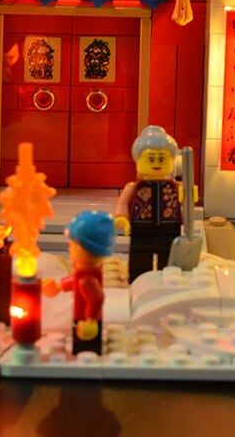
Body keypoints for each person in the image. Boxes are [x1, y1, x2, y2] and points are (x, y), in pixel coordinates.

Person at [115, 125, 182, 283]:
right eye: (151, 159)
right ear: (138, 160)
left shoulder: (176, 187)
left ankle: (168, 281)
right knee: (140, 259)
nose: (156, 163)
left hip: (169, 228)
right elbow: (123, 204)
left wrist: (188, 201)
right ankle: (140, 281)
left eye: (162, 159)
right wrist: (122, 217)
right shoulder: (134, 187)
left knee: (169, 261)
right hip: (141, 228)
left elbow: (184, 204)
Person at [42, 210, 116, 354]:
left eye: (71, 245)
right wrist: (58, 286)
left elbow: (96, 298)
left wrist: (90, 319)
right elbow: (76, 281)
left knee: (85, 349)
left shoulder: (88, 278)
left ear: (84, 247)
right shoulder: (87, 272)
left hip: (85, 321)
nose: (69, 249)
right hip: (84, 319)